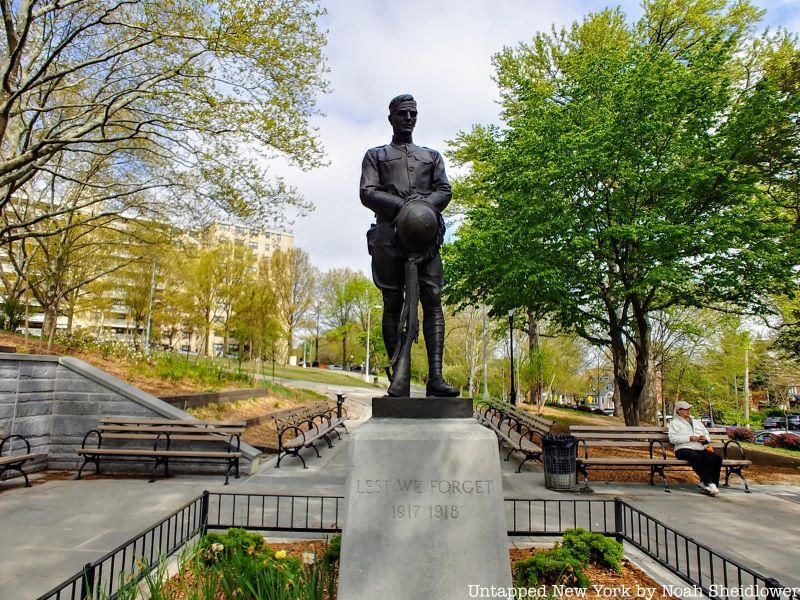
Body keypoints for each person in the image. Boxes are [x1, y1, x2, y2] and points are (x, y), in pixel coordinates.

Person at [360, 94, 458, 397]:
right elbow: (367, 192)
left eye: (413, 113)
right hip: (389, 238)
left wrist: (422, 209)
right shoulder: (375, 155)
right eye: (403, 113)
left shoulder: (432, 157)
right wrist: (404, 207)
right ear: (391, 118)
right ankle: (396, 376)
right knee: (392, 304)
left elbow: (445, 189)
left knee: (433, 301)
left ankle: (436, 378)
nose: (409, 118)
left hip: (426, 240)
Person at [668, 400, 723, 496]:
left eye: (689, 408)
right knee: (696, 457)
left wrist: (704, 439)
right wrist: (689, 438)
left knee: (716, 458)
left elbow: (707, 435)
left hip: (699, 448)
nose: (688, 411)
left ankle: (709, 484)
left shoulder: (697, 422)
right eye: (685, 409)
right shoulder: (674, 423)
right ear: (678, 411)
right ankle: (708, 483)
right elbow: (673, 439)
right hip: (682, 449)